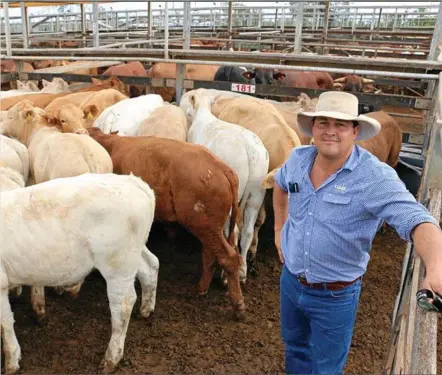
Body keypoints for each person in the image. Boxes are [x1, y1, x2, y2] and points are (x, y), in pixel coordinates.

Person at [273, 91, 442, 375]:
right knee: (295, 347)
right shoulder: (298, 159)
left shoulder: (374, 177)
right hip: (291, 281)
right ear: (313, 128)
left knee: (326, 367)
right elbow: (279, 184)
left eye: (340, 125)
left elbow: (418, 220)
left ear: (355, 131)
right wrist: (280, 228)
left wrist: (435, 268)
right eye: (323, 123)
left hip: (334, 295)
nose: (330, 131)